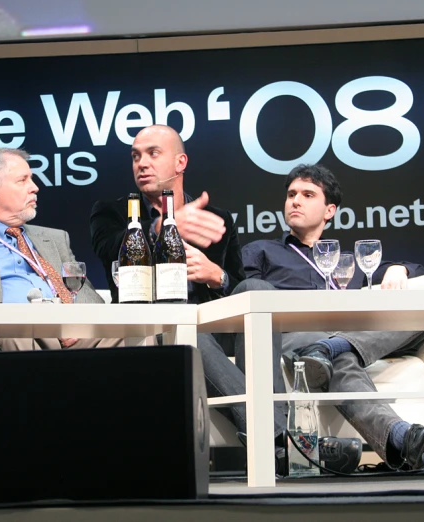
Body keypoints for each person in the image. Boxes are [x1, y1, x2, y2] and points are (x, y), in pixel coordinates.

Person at [89, 125, 361, 473]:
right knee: (189, 331)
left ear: (180, 161)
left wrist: (215, 275)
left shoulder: (217, 219)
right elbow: (109, 248)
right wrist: (163, 226)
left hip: (214, 324)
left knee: (259, 292)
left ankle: (276, 440)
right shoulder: (112, 212)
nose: (141, 163)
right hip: (158, 328)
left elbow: (239, 286)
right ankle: (285, 439)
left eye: (153, 153)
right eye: (135, 156)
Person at [242, 163, 424, 469]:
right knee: (340, 357)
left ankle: (335, 346)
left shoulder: (348, 261)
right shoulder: (261, 251)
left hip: (345, 334)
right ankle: (402, 436)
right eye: (291, 194)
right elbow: (241, 298)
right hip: (290, 335)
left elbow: (416, 269)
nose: (295, 201)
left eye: (307, 194)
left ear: (329, 211)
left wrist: (399, 268)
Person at [0, 147, 121, 351]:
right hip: (17, 332)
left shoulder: (55, 238)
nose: (35, 188)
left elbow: (87, 294)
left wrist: (75, 323)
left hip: (74, 334)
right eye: (23, 180)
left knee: (135, 335)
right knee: (17, 337)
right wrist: (35, 321)